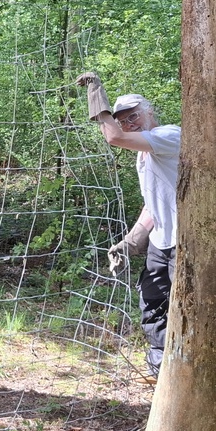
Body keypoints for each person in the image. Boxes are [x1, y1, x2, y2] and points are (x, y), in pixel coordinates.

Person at [77, 72, 180, 383]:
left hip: (187, 242)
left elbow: (113, 137)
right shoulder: (144, 157)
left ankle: (186, 375)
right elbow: (154, 204)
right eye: (123, 120)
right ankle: (158, 371)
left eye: (134, 115)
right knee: (152, 301)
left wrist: (98, 96)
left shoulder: (169, 135)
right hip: (160, 242)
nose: (129, 123)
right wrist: (131, 242)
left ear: (149, 112)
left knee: (187, 308)